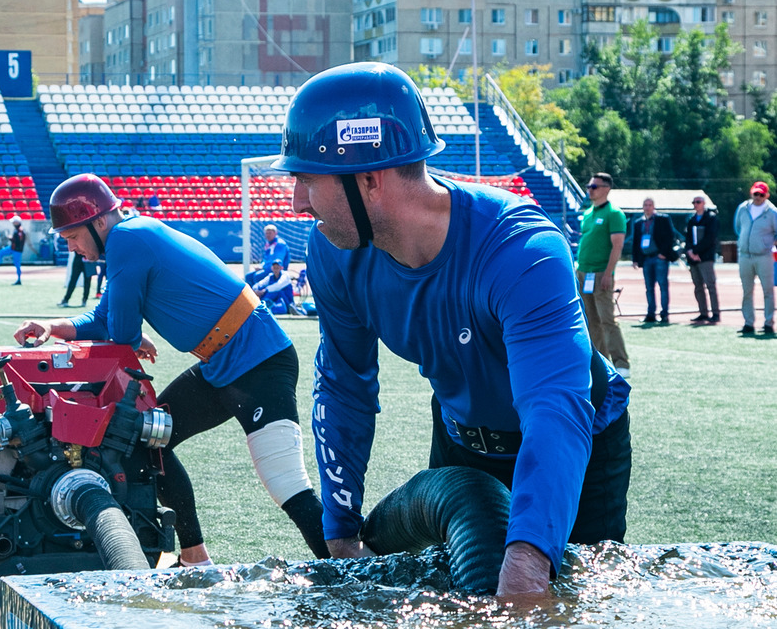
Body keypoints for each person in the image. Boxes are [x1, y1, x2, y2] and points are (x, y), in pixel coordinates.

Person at [271, 62, 632, 598]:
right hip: (462, 442)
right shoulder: (332, 252)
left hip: (574, 435)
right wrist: (341, 530)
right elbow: (345, 386)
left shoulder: (521, 251)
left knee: (568, 612)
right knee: (454, 603)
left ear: (369, 180)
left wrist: (529, 561)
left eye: (307, 179)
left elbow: (554, 409)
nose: (298, 202)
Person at [14, 173, 329, 566]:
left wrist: (130, 335)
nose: (72, 247)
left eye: (72, 237)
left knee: (287, 484)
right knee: (150, 442)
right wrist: (52, 327)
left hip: (257, 361)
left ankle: (353, 569)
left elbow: (121, 330)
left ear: (97, 222)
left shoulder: (127, 239)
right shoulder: (129, 235)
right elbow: (105, 319)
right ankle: (194, 555)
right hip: (225, 363)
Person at [576, 173, 630, 377]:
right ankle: (601, 364)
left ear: (606, 188)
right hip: (584, 272)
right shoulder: (588, 213)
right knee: (591, 321)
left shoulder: (614, 213)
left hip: (600, 273)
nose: (590, 189)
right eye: (589, 186)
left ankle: (621, 363)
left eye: (594, 186)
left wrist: (608, 273)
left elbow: (617, 245)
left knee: (607, 319)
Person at [733, 181, 777, 336]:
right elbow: (738, 227)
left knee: (768, 291)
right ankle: (748, 322)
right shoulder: (743, 208)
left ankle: (768, 323)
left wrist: (766, 244)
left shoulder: (772, 212)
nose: (758, 197)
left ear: (767, 195)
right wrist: (746, 242)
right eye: (755, 193)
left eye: (761, 194)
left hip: (764, 256)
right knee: (747, 291)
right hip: (745, 255)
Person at [630, 197, 676, 324]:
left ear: (654, 206)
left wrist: (663, 253)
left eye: (650, 205)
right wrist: (635, 259)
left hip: (659, 257)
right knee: (649, 288)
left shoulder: (663, 219)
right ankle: (651, 313)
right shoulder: (639, 222)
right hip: (646, 259)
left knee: (663, 286)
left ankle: (664, 314)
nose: (647, 207)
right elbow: (635, 242)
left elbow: (670, 237)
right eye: (645, 205)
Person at [684, 195, 720, 324]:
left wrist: (696, 251)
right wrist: (690, 252)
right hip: (693, 259)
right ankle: (703, 312)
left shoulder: (711, 218)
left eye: (698, 202)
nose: (696, 204)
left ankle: (715, 313)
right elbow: (687, 238)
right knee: (698, 287)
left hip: (706, 257)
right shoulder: (691, 219)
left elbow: (710, 238)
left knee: (710, 286)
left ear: (703, 203)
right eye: (694, 202)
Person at [0, 215, 26, 285]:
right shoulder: (17, 230)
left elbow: (19, 241)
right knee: (1, 253)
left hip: (17, 250)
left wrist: (11, 238)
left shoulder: (20, 230)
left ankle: (19, 279)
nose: (13, 223)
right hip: (13, 248)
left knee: (17, 264)